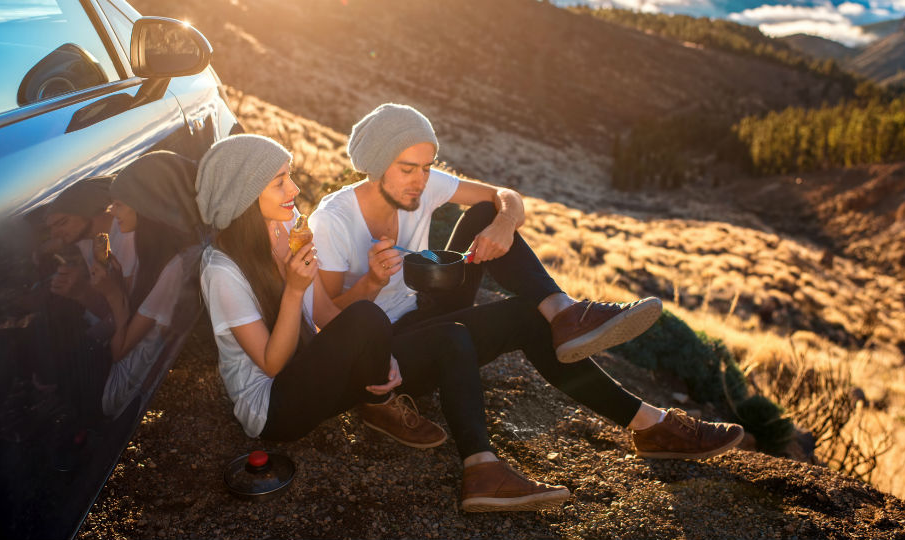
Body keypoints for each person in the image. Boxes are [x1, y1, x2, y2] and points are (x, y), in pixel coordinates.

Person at [310, 103, 745, 459]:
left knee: (483, 213)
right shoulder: (333, 221)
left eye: (427, 167)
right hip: (389, 349)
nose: (421, 181)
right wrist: (370, 282)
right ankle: (651, 424)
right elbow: (325, 319)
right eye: (408, 169)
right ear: (377, 165)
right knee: (527, 320)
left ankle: (565, 311)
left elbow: (505, 195)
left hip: (425, 304)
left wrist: (506, 222)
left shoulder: (418, 187)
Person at [195, 134, 570, 512]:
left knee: (450, 338)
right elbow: (272, 364)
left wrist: (375, 352)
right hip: (275, 408)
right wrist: (294, 291)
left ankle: (482, 469)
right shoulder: (222, 269)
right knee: (367, 317)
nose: (292, 188)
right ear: (243, 194)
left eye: (288, 175)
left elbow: (324, 314)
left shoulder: (288, 225)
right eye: (278, 181)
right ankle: (380, 402)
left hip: (316, 367)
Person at [89, 151, 203, 418]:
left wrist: (114, 296)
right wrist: (115, 281)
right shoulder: (153, 251)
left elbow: (119, 352)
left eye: (119, 203)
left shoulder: (174, 267)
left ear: (147, 204)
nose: (111, 210)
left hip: (122, 388)